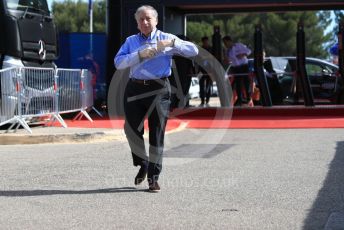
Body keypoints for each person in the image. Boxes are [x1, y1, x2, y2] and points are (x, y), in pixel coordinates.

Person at [114, 5, 198, 192]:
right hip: (135, 88)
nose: (144, 22)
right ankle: (143, 163)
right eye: (140, 20)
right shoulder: (131, 41)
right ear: (137, 24)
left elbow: (194, 51)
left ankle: (153, 176)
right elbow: (118, 63)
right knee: (131, 129)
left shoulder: (166, 38)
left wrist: (173, 44)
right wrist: (139, 55)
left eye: (148, 19)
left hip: (159, 89)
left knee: (157, 132)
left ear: (156, 20)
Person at [223, 35, 253, 107]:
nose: (225, 44)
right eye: (224, 43)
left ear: (229, 41)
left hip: (244, 66)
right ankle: (239, 99)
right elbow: (228, 60)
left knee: (246, 83)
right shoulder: (228, 51)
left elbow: (249, 51)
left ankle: (248, 98)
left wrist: (243, 54)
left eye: (225, 42)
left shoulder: (239, 45)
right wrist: (226, 59)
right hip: (236, 68)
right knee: (238, 84)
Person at [198, 36, 213, 106]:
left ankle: (207, 100)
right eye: (204, 42)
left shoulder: (211, 49)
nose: (206, 43)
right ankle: (202, 100)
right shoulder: (200, 49)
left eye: (206, 41)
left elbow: (213, 58)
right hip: (201, 69)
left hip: (209, 69)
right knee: (201, 85)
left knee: (208, 85)